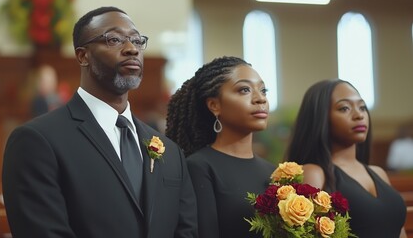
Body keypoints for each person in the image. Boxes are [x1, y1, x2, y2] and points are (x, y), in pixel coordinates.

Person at [2, 6, 197, 238]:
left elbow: (187, 231)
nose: (132, 49)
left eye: (137, 40)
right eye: (114, 39)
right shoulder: (37, 140)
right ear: (83, 56)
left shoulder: (171, 152)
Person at [166, 56, 276, 238]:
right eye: (244, 90)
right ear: (214, 105)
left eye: (264, 90)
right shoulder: (199, 167)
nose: (260, 99)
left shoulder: (273, 171)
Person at [285, 79, 407, 238]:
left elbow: (399, 231)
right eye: (344, 108)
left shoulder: (379, 173)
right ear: (320, 118)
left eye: (362, 107)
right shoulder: (314, 174)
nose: (359, 115)